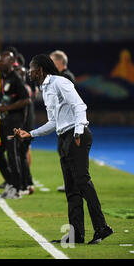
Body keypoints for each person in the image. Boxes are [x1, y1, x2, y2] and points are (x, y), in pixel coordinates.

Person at [14, 54, 113, 245]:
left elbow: (79, 106)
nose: (29, 72)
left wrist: (77, 133)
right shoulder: (45, 88)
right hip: (65, 137)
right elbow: (53, 122)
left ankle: (102, 227)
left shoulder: (60, 82)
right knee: (72, 189)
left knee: (82, 182)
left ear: (40, 70)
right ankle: (77, 234)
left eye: (32, 68)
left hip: (77, 135)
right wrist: (30, 133)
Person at [0, 51, 31, 199]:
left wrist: (6, 108)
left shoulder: (15, 78)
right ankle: (11, 182)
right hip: (3, 122)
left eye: (2, 61)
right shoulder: (0, 77)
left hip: (14, 122)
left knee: (12, 153)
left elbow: (26, 100)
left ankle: (17, 188)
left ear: (11, 62)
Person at [50, 50, 75, 192]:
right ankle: (69, 183)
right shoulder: (60, 77)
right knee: (63, 152)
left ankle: (73, 183)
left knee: (68, 153)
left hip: (69, 123)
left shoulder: (67, 77)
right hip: (63, 122)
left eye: (52, 62)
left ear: (60, 62)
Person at [14, 64, 35, 195]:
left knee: (20, 155)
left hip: (25, 127)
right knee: (21, 154)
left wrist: (22, 129)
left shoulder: (23, 89)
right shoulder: (25, 87)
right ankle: (28, 184)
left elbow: (25, 111)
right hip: (27, 126)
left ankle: (26, 185)